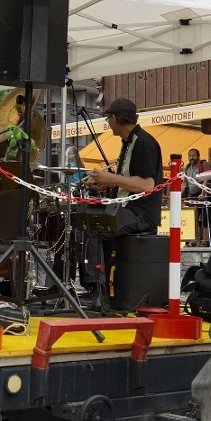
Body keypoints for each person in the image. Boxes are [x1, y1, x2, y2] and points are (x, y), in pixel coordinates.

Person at [84, 98, 163, 300]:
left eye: (109, 118)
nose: (108, 123)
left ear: (116, 118)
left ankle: (97, 292)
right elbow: (128, 181)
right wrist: (104, 183)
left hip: (140, 213)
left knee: (93, 227)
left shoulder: (144, 143)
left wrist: (110, 177)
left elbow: (147, 185)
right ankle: (92, 288)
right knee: (83, 221)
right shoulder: (130, 142)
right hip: (127, 209)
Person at [182, 149, 210, 245]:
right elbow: (184, 182)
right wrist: (179, 195)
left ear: (198, 156)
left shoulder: (204, 164)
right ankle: (192, 240)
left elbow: (206, 179)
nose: (191, 158)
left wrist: (203, 193)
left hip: (204, 194)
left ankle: (205, 241)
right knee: (192, 218)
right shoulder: (187, 167)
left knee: (205, 218)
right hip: (192, 195)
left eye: (193, 155)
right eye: (189, 156)